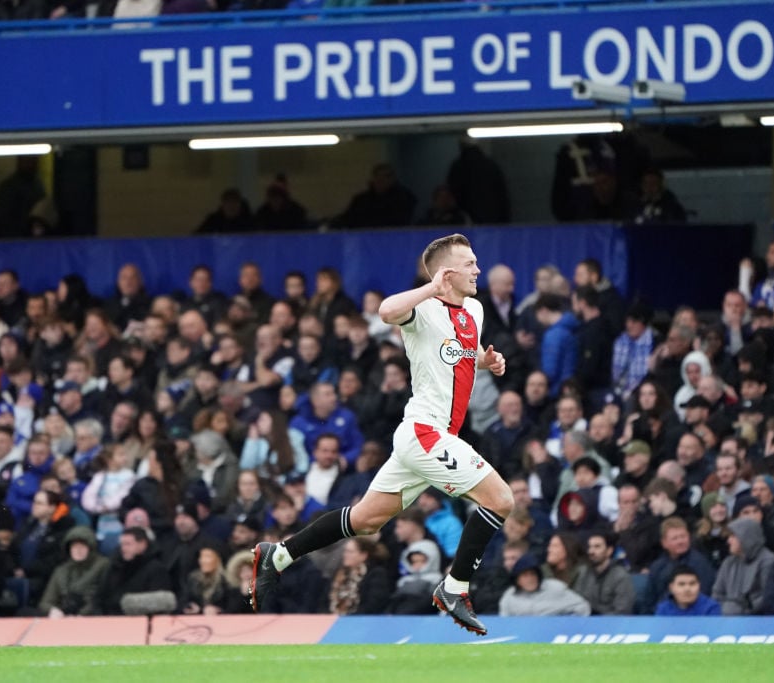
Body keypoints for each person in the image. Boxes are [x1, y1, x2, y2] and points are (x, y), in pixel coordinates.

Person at [249, 234, 512, 635]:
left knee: (366, 520)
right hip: (426, 433)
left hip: (425, 438)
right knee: (501, 499)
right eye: (470, 263)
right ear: (447, 272)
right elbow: (387, 311)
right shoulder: (421, 307)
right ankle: (455, 588)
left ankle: (278, 555)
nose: (478, 269)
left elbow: (455, 353)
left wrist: (484, 361)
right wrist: (430, 288)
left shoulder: (474, 309)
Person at [711, 517, 774, 615]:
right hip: (727, 621)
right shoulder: (728, 562)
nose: (728, 541)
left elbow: (768, 598)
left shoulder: (769, 561)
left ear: (746, 537)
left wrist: (741, 611)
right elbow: (717, 594)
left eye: (733, 536)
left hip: (757, 622)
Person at [498, 553, 591, 616]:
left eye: (533, 574)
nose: (530, 579)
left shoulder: (555, 588)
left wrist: (567, 625)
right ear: (517, 580)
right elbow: (504, 623)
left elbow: (582, 607)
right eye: (525, 576)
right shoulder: (510, 595)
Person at [655, 565, 722, 616]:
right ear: (671, 588)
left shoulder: (711, 607)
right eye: (681, 584)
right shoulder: (663, 609)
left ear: (699, 586)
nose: (687, 589)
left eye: (692, 584)